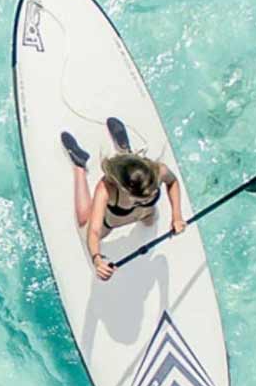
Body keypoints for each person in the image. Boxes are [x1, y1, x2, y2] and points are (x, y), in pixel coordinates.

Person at [61, 117, 184, 281]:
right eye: (140, 197)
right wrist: (97, 259)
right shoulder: (106, 188)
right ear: (122, 188)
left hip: (146, 214)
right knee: (85, 222)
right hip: (112, 222)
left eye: (151, 193)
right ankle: (79, 166)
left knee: (150, 221)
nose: (147, 197)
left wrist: (177, 215)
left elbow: (173, 182)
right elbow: (95, 231)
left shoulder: (158, 171)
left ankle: (125, 151)